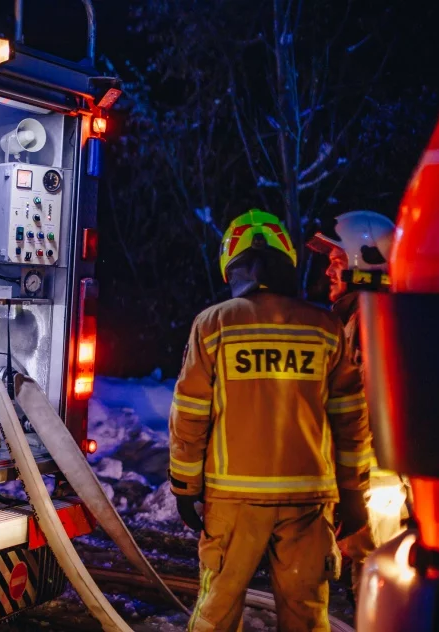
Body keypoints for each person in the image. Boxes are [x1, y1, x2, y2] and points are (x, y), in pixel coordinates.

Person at [169, 209, 373, 632]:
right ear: (286, 262)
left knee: (216, 611)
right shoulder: (325, 327)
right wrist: (354, 491)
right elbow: (350, 421)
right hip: (308, 501)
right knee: (306, 616)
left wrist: (185, 487)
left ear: (232, 266)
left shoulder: (213, 325)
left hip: (232, 499)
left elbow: (190, 416)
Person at [307, 210, 410, 604]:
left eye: (336, 263)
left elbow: (365, 402)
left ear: (364, 261)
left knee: (376, 574)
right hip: (374, 474)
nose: (329, 273)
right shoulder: (362, 314)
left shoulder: (369, 319)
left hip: (375, 477)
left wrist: (352, 485)